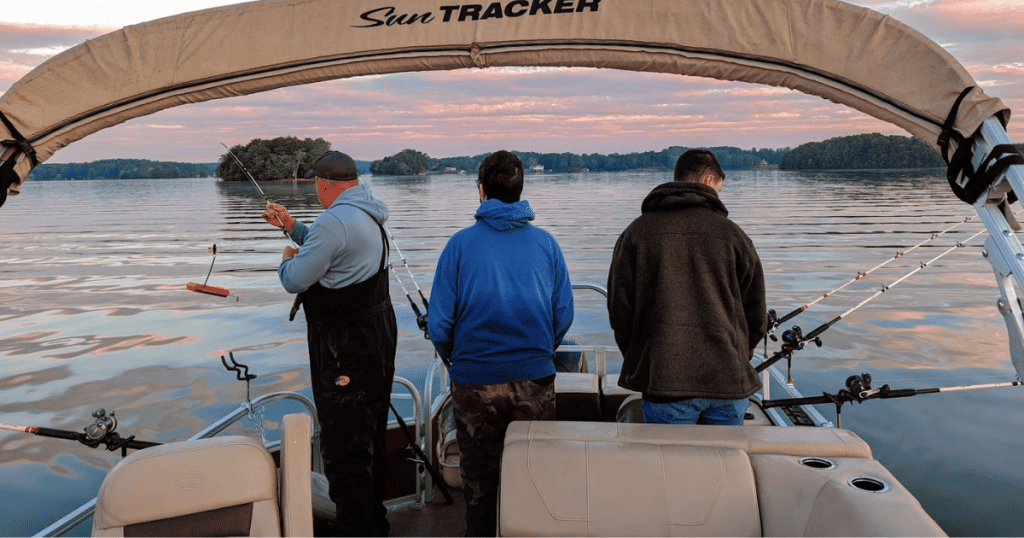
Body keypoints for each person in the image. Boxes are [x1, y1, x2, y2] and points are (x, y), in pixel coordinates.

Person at [427, 150, 574, 536]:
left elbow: (440, 323)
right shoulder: (547, 245)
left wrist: (458, 359)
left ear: (481, 191)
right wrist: (540, 351)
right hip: (535, 378)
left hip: (474, 381)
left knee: (479, 481)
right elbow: (564, 315)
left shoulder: (459, 246)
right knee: (532, 476)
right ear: (520, 190)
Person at [262, 151, 396, 536]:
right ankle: (374, 523)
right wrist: (291, 226)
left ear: (326, 185)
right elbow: (332, 248)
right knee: (369, 435)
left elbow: (294, 279)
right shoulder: (367, 212)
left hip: (345, 352)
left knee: (343, 449)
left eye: (315, 184)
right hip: (376, 344)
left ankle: (356, 528)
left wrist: (287, 257)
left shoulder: (333, 220)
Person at [607, 148, 767, 425]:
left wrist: (645, 358)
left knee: (671, 468)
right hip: (729, 381)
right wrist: (738, 355)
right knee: (725, 467)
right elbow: (756, 314)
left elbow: (620, 311)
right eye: (720, 186)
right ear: (708, 180)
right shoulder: (734, 236)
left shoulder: (637, 233)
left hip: (665, 380)